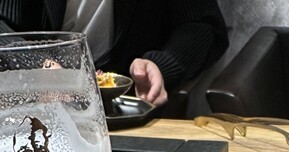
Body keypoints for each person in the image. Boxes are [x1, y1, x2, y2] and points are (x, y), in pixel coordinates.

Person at [0, 0, 228, 107]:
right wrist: (36, 63)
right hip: (30, 100)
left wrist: (162, 64)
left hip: (125, 105)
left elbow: (202, 24)